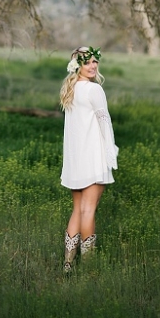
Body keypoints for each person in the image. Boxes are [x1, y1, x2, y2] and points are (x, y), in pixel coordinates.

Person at [59, 45, 118, 272]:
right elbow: (105, 123)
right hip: (93, 157)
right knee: (88, 210)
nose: (93, 66)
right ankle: (90, 266)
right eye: (87, 62)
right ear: (78, 65)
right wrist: (110, 153)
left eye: (95, 62)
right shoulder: (94, 90)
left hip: (76, 160)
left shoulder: (71, 88)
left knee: (78, 209)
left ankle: (67, 263)